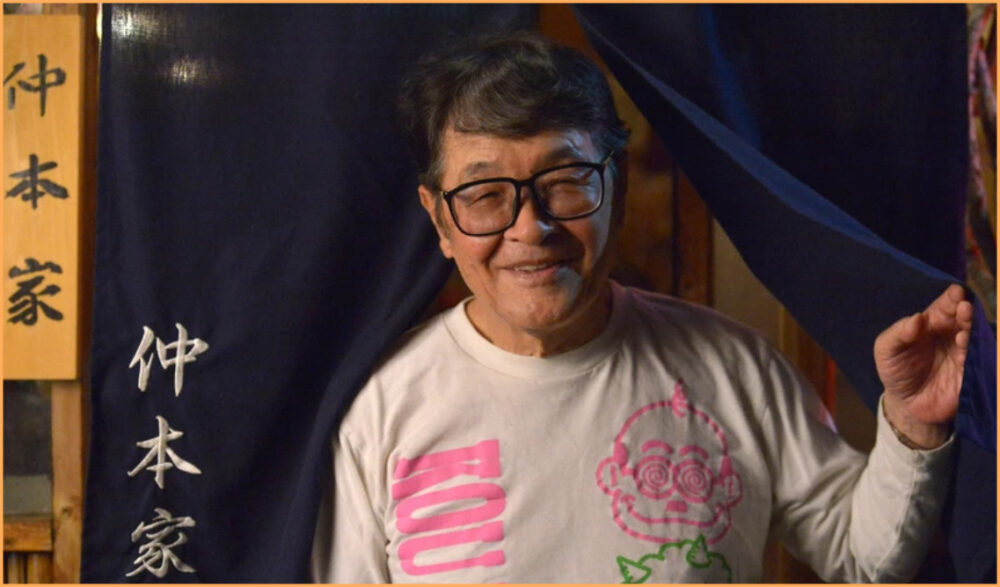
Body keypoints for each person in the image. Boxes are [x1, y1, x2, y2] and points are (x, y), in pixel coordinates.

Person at [311, 31, 973, 583]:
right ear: (439, 219)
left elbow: (862, 557)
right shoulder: (382, 408)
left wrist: (912, 425)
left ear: (618, 186)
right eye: (485, 195)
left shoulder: (734, 367)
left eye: (565, 182)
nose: (530, 227)